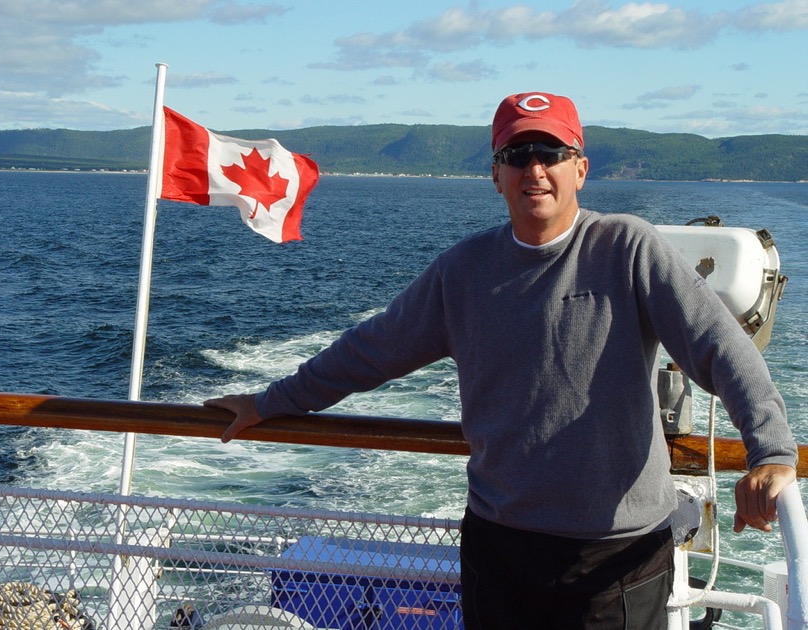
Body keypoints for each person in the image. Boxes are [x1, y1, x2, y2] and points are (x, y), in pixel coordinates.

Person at [205, 91, 798, 629]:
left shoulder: (627, 248)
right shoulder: (465, 272)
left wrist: (770, 452)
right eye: (517, 155)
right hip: (501, 549)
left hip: (617, 555)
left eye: (551, 152)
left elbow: (720, 347)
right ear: (496, 175)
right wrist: (267, 403)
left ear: (580, 168)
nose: (534, 169)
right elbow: (368, 352)